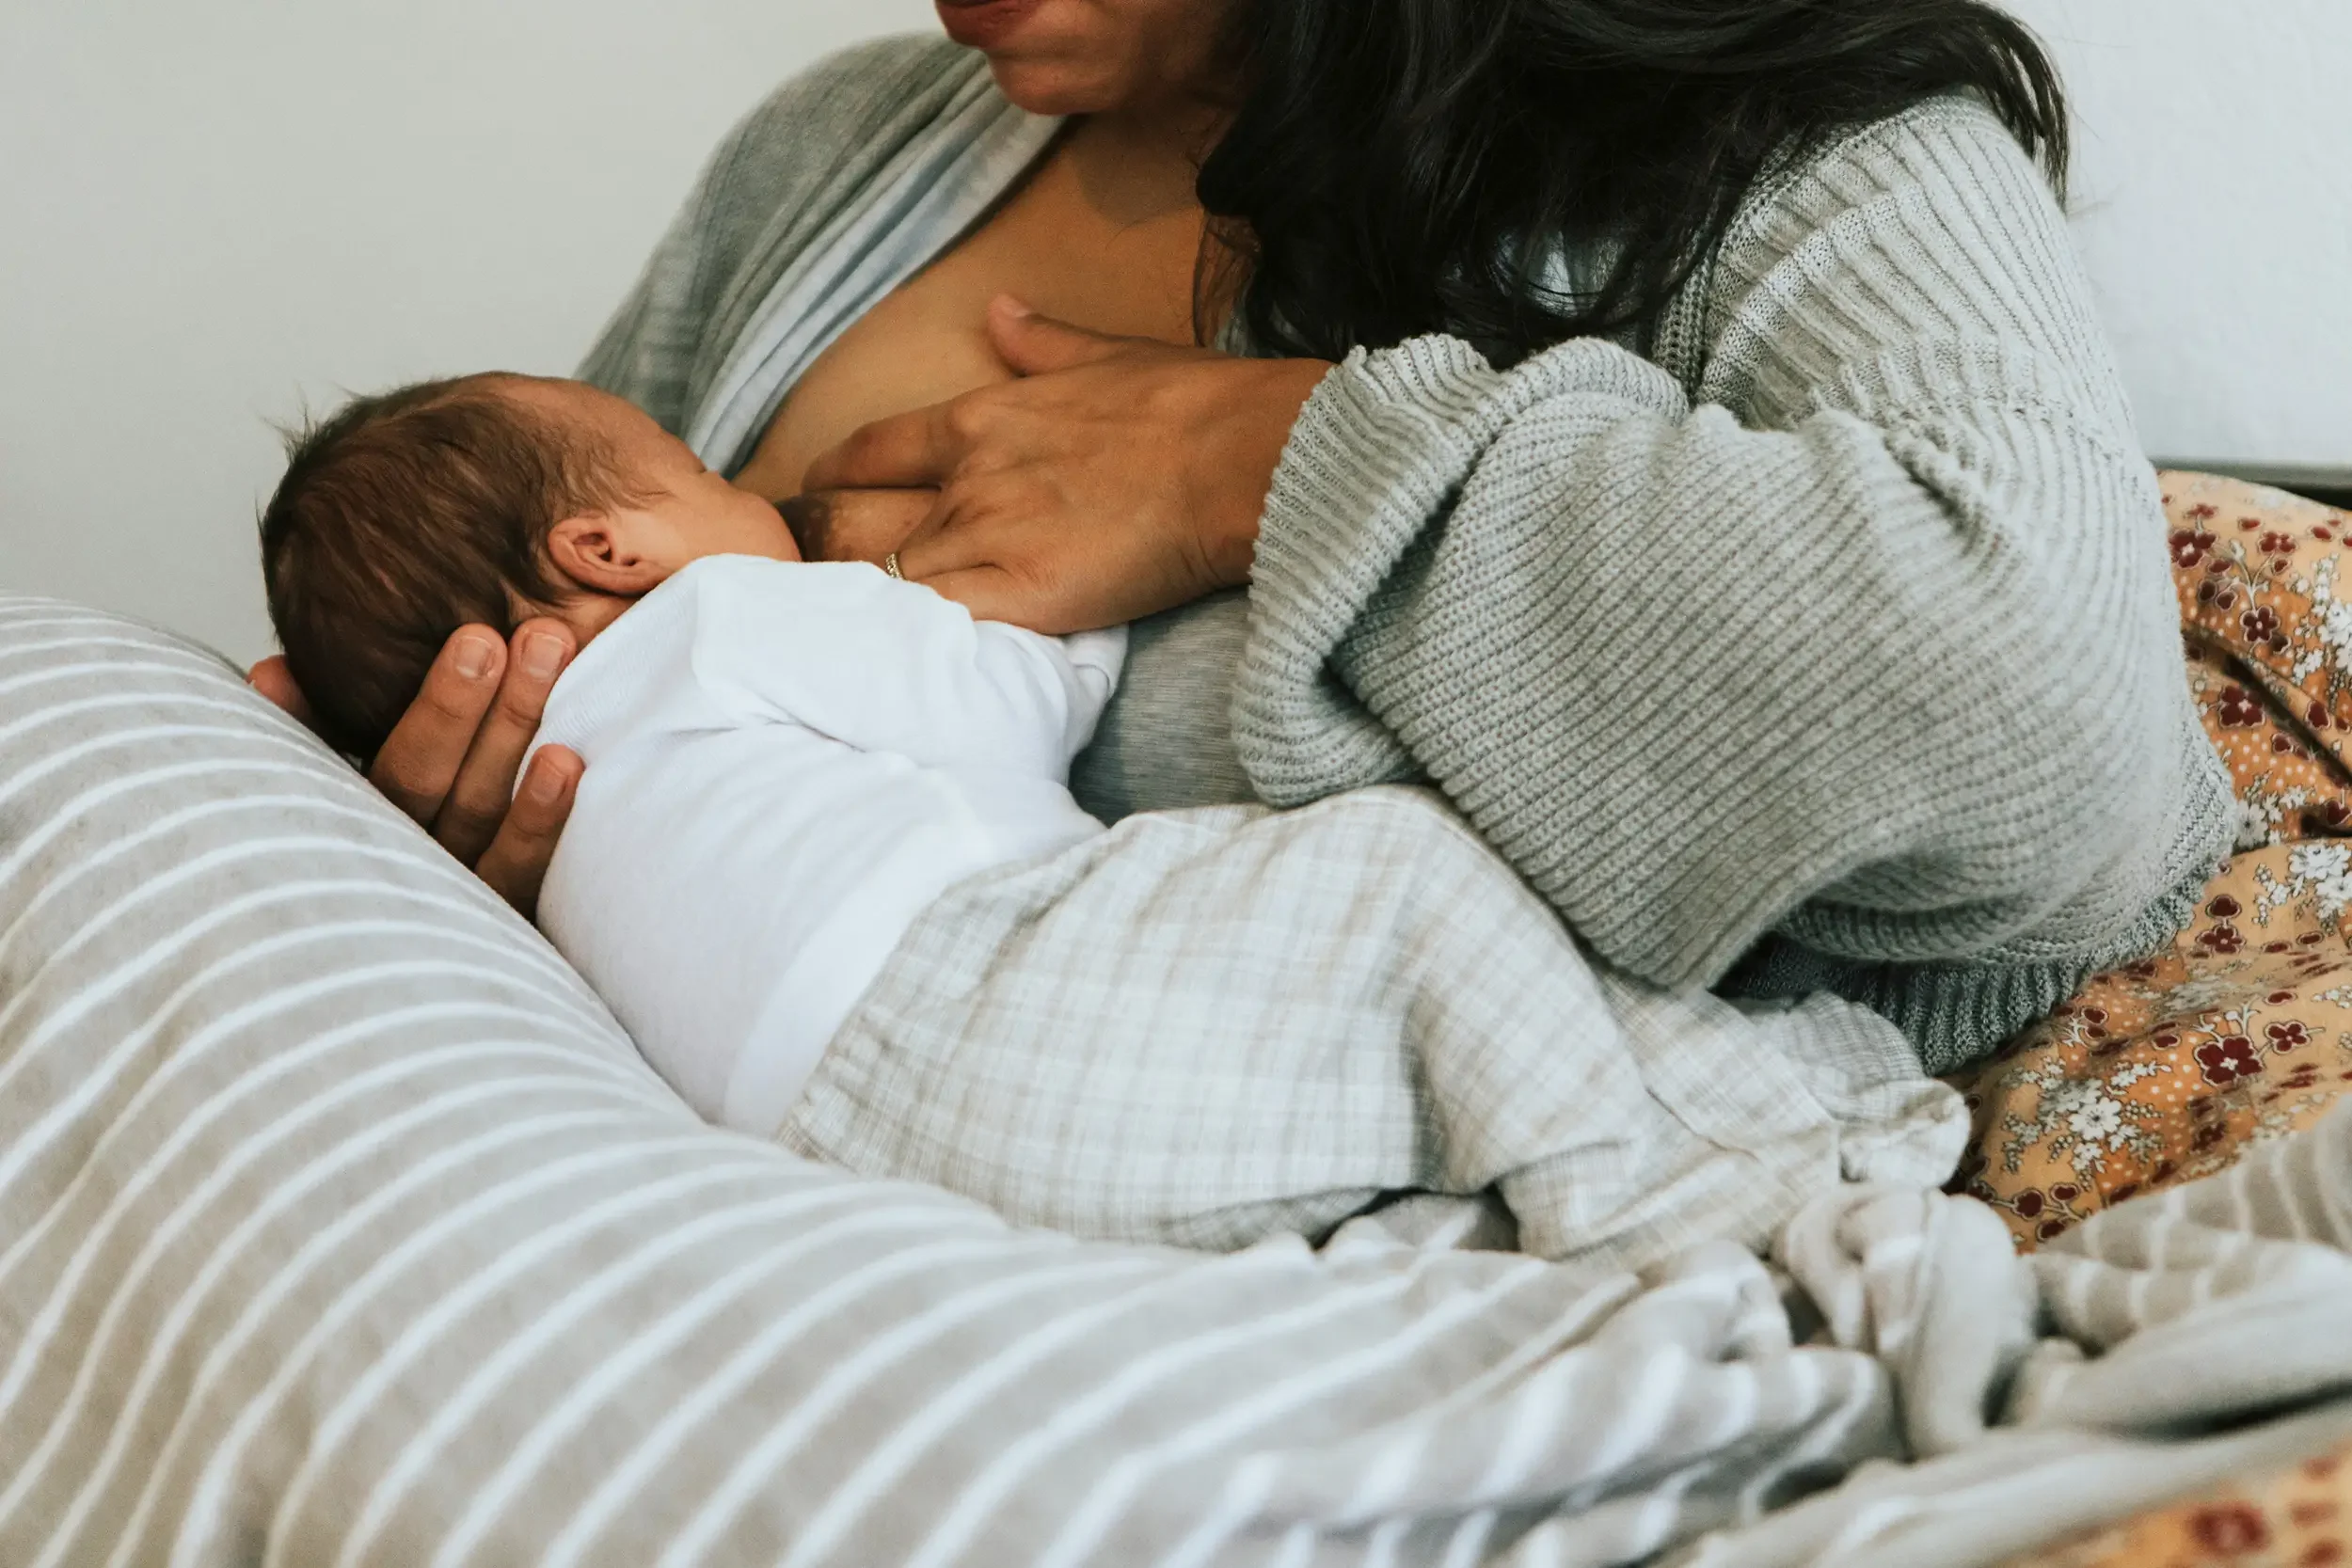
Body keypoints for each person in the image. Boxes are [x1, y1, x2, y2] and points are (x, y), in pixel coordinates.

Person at [252, 0, 2234, 1077]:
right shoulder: (830, 155)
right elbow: (517, 612)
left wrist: (1263, 463)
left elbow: (2041, 721)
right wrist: (473, 845)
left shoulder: (1793, 147)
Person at [253, 367, 1963, 1263]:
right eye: (704, 474)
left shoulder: (572, 801)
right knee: (1395, 881)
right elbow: (994, 697)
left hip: (842, 1162)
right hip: (976, 1000)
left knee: (1359, 1126)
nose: (747, 494)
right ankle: (1673, 1193)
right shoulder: (716, 615)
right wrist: (1073, 599)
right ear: (609, 551)